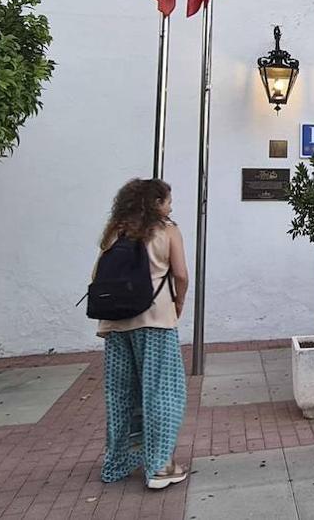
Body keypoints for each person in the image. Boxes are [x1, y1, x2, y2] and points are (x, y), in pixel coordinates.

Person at [95, 178, 190, 490]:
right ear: (155, 203)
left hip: (117, 323)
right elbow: (180, 274)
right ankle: (160, 466)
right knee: (162, 391)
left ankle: (118, 461)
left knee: (121, 394)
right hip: (155, 319)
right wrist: (178, 302)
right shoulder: (167, 230)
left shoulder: (114, 231)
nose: (171, 206)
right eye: (167, 200)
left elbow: (98, 274)